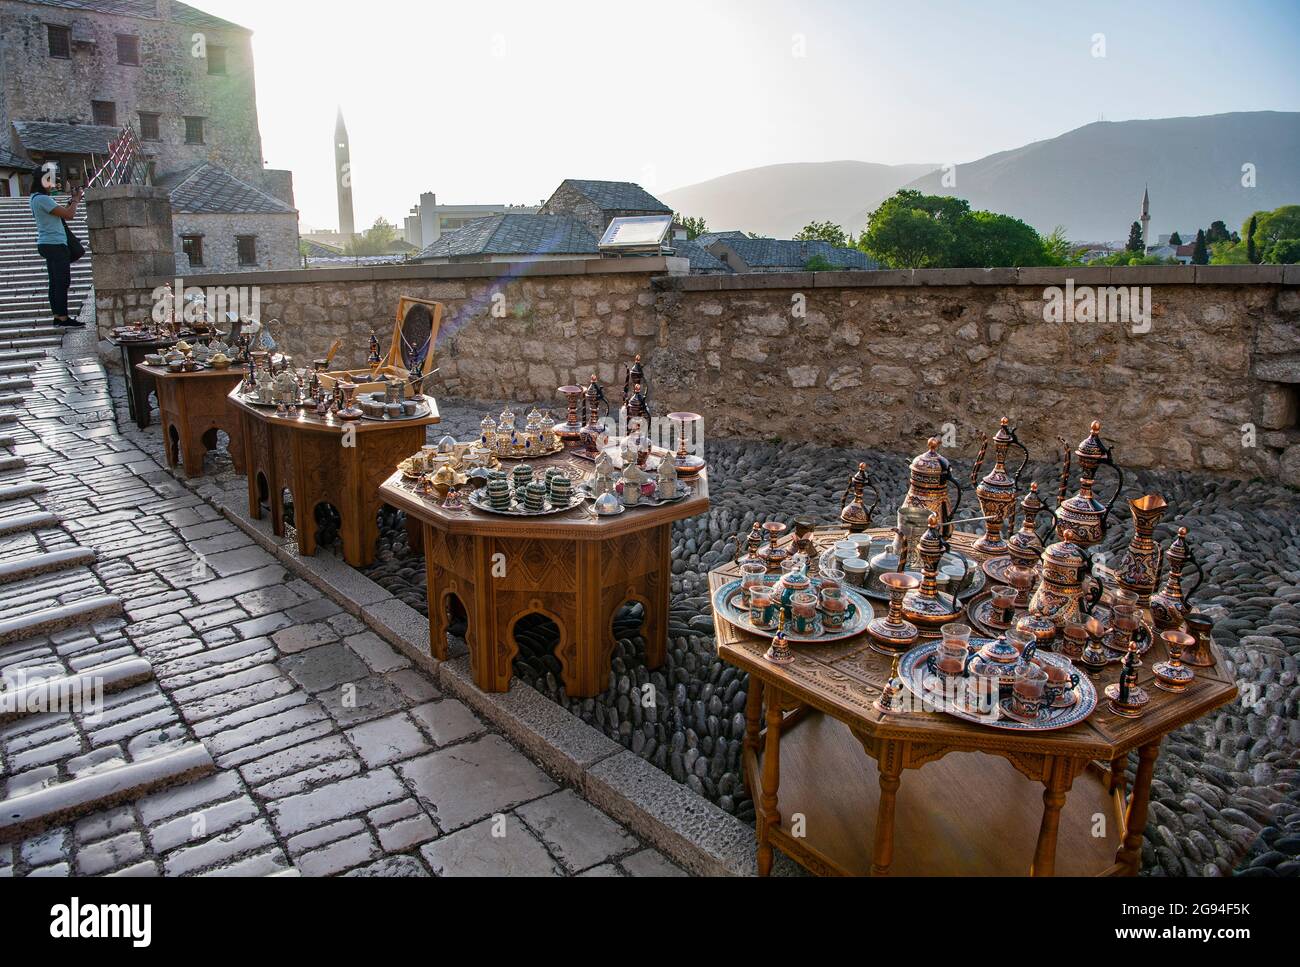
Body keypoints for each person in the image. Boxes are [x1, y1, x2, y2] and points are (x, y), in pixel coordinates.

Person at [29, 166, 84, 328]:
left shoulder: (34, 198)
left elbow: (59, 214)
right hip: (55, 244)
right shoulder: (43, 199)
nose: (53, 183)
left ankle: (57, 316)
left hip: (46, 242)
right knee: (62, 281)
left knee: (54, 282)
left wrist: (71, 202)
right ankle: (63, 318)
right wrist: (75, 200)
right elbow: (70, 215)